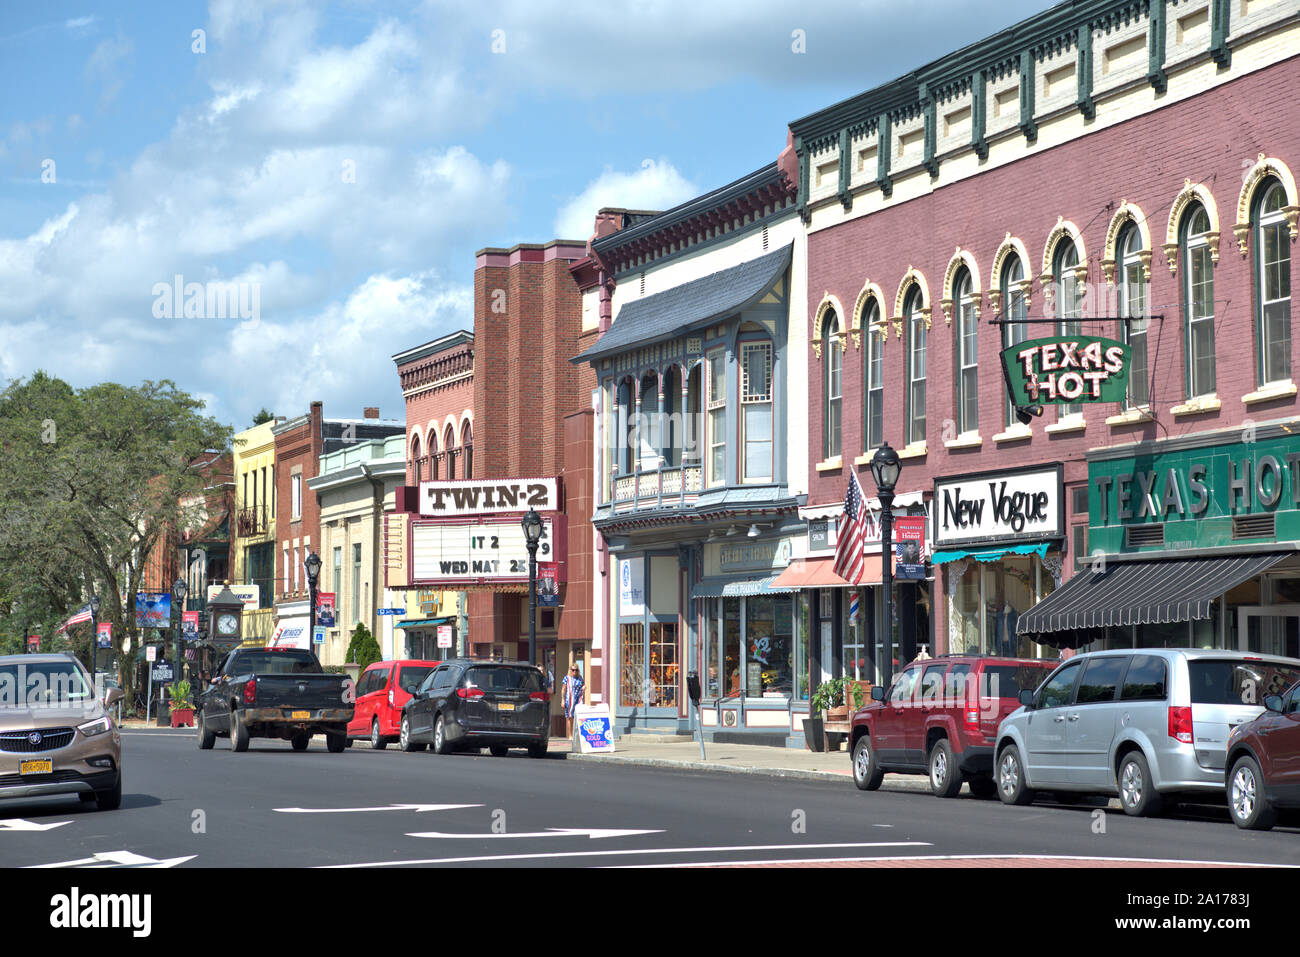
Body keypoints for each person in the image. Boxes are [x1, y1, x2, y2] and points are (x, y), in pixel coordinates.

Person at [561, 665, 584, 738]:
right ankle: (570, 735)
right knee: (569, 717)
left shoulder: (580, 678)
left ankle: (577, 735)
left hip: (578, 700)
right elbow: (563, 689)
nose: (574, 671)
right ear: (570, 670)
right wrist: (562, 700)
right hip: (569, 700)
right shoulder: (567, 678)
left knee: (578, 717)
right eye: (573, 670)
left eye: (576, 670)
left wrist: (584, 687)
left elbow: (583, 685)